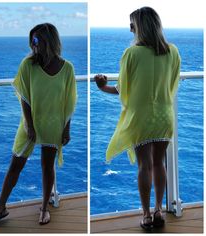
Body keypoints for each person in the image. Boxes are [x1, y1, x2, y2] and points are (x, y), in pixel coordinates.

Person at [95, 7, 181, 230]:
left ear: (139, 27)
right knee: (159, 163)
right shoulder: (173, 52)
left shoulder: (131, 54)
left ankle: (145, 215)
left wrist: (102, 86)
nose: (129, 28)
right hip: (164, 115)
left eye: (131, 24)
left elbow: (122, 90)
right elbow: (172, 85)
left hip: (141, 117)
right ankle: (159, 210)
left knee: (144, 166)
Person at [0, 23, 77, 227]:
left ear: (49, 41)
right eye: (31, 41)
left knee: (47, 165)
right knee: (15, 164)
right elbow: (24, 97)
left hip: (54, 122)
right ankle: (0, 208)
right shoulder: (28, 65)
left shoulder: (67, 68)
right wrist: (29, 125)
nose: (33, 45)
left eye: (36, 40)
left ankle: (44, 208)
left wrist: (66, 128)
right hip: (30, 122)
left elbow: (69, 101)